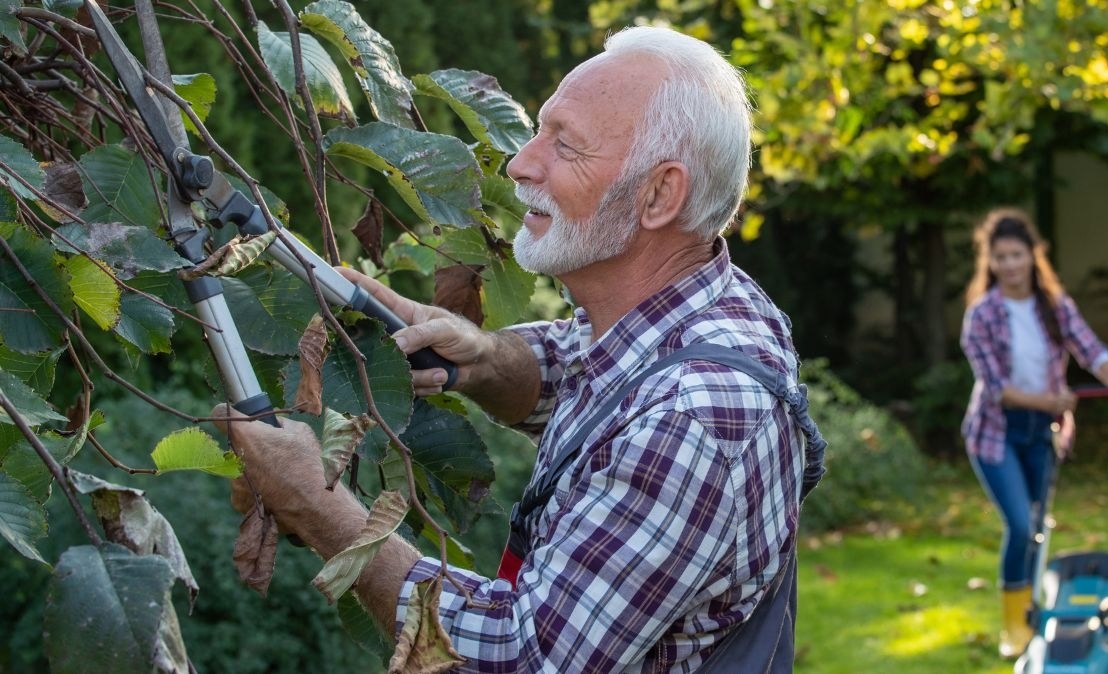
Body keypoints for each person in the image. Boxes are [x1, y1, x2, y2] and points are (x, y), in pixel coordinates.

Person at [212, 26, 824, 673]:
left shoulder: (697, 415)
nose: (521, 163)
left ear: (659, 195)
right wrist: (480, 357)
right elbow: (595, 368)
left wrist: (319, 506)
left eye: (566, 145)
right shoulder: (705, 307)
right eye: (539, 128)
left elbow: (521, 656)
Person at [960, 208, 1108, 659]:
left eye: (1017, 255)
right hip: (995, 433)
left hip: (1042, 433)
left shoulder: (1055, 308)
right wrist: (1050, 402)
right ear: (990, 262)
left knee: (1038, 527)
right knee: (1021, 524)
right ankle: (1012, 626)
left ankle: (1032, 618)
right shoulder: (981, 316)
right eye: (1000, 257)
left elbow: (1092, 349)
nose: (1009, 265)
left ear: (1032, 256)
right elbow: (997, 390)